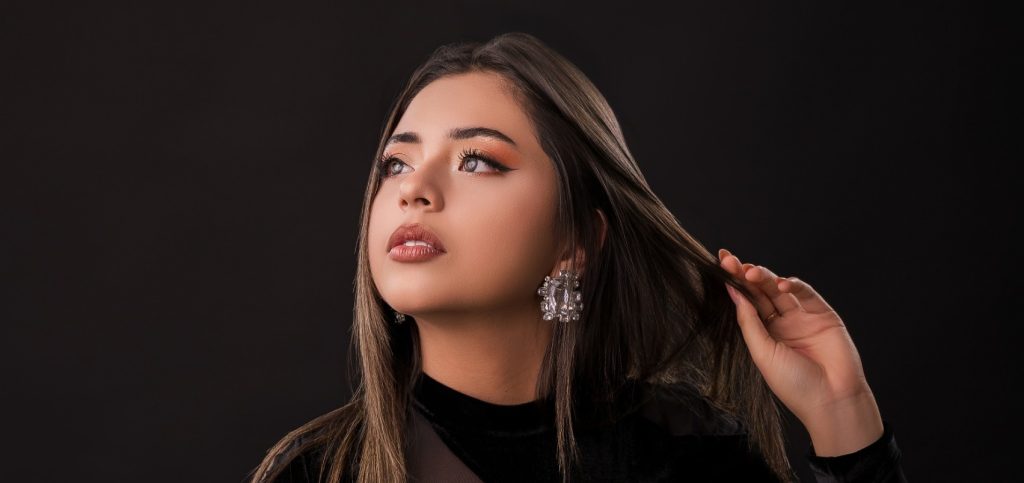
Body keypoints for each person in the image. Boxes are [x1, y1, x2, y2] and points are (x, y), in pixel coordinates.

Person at [246, 32, 907, 483]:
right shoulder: (318, 471)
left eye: (476, 160)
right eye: (396, 163)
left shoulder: (688, 453)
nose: (413, 189)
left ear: (576, 240)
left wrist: (841, 411)